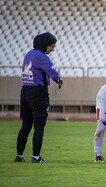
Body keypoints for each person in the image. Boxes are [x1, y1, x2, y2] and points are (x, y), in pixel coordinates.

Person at [14, 32, 63, 163]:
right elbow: (52, 71)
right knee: (39, 127)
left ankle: (19, 156)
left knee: (25, 126)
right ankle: (36, 157)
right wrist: (59, 80)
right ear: (45, 45)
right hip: (38, 93)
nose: (53, 49)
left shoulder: (29, 54)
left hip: (25, 91)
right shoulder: (42, 57)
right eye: (52, 46)